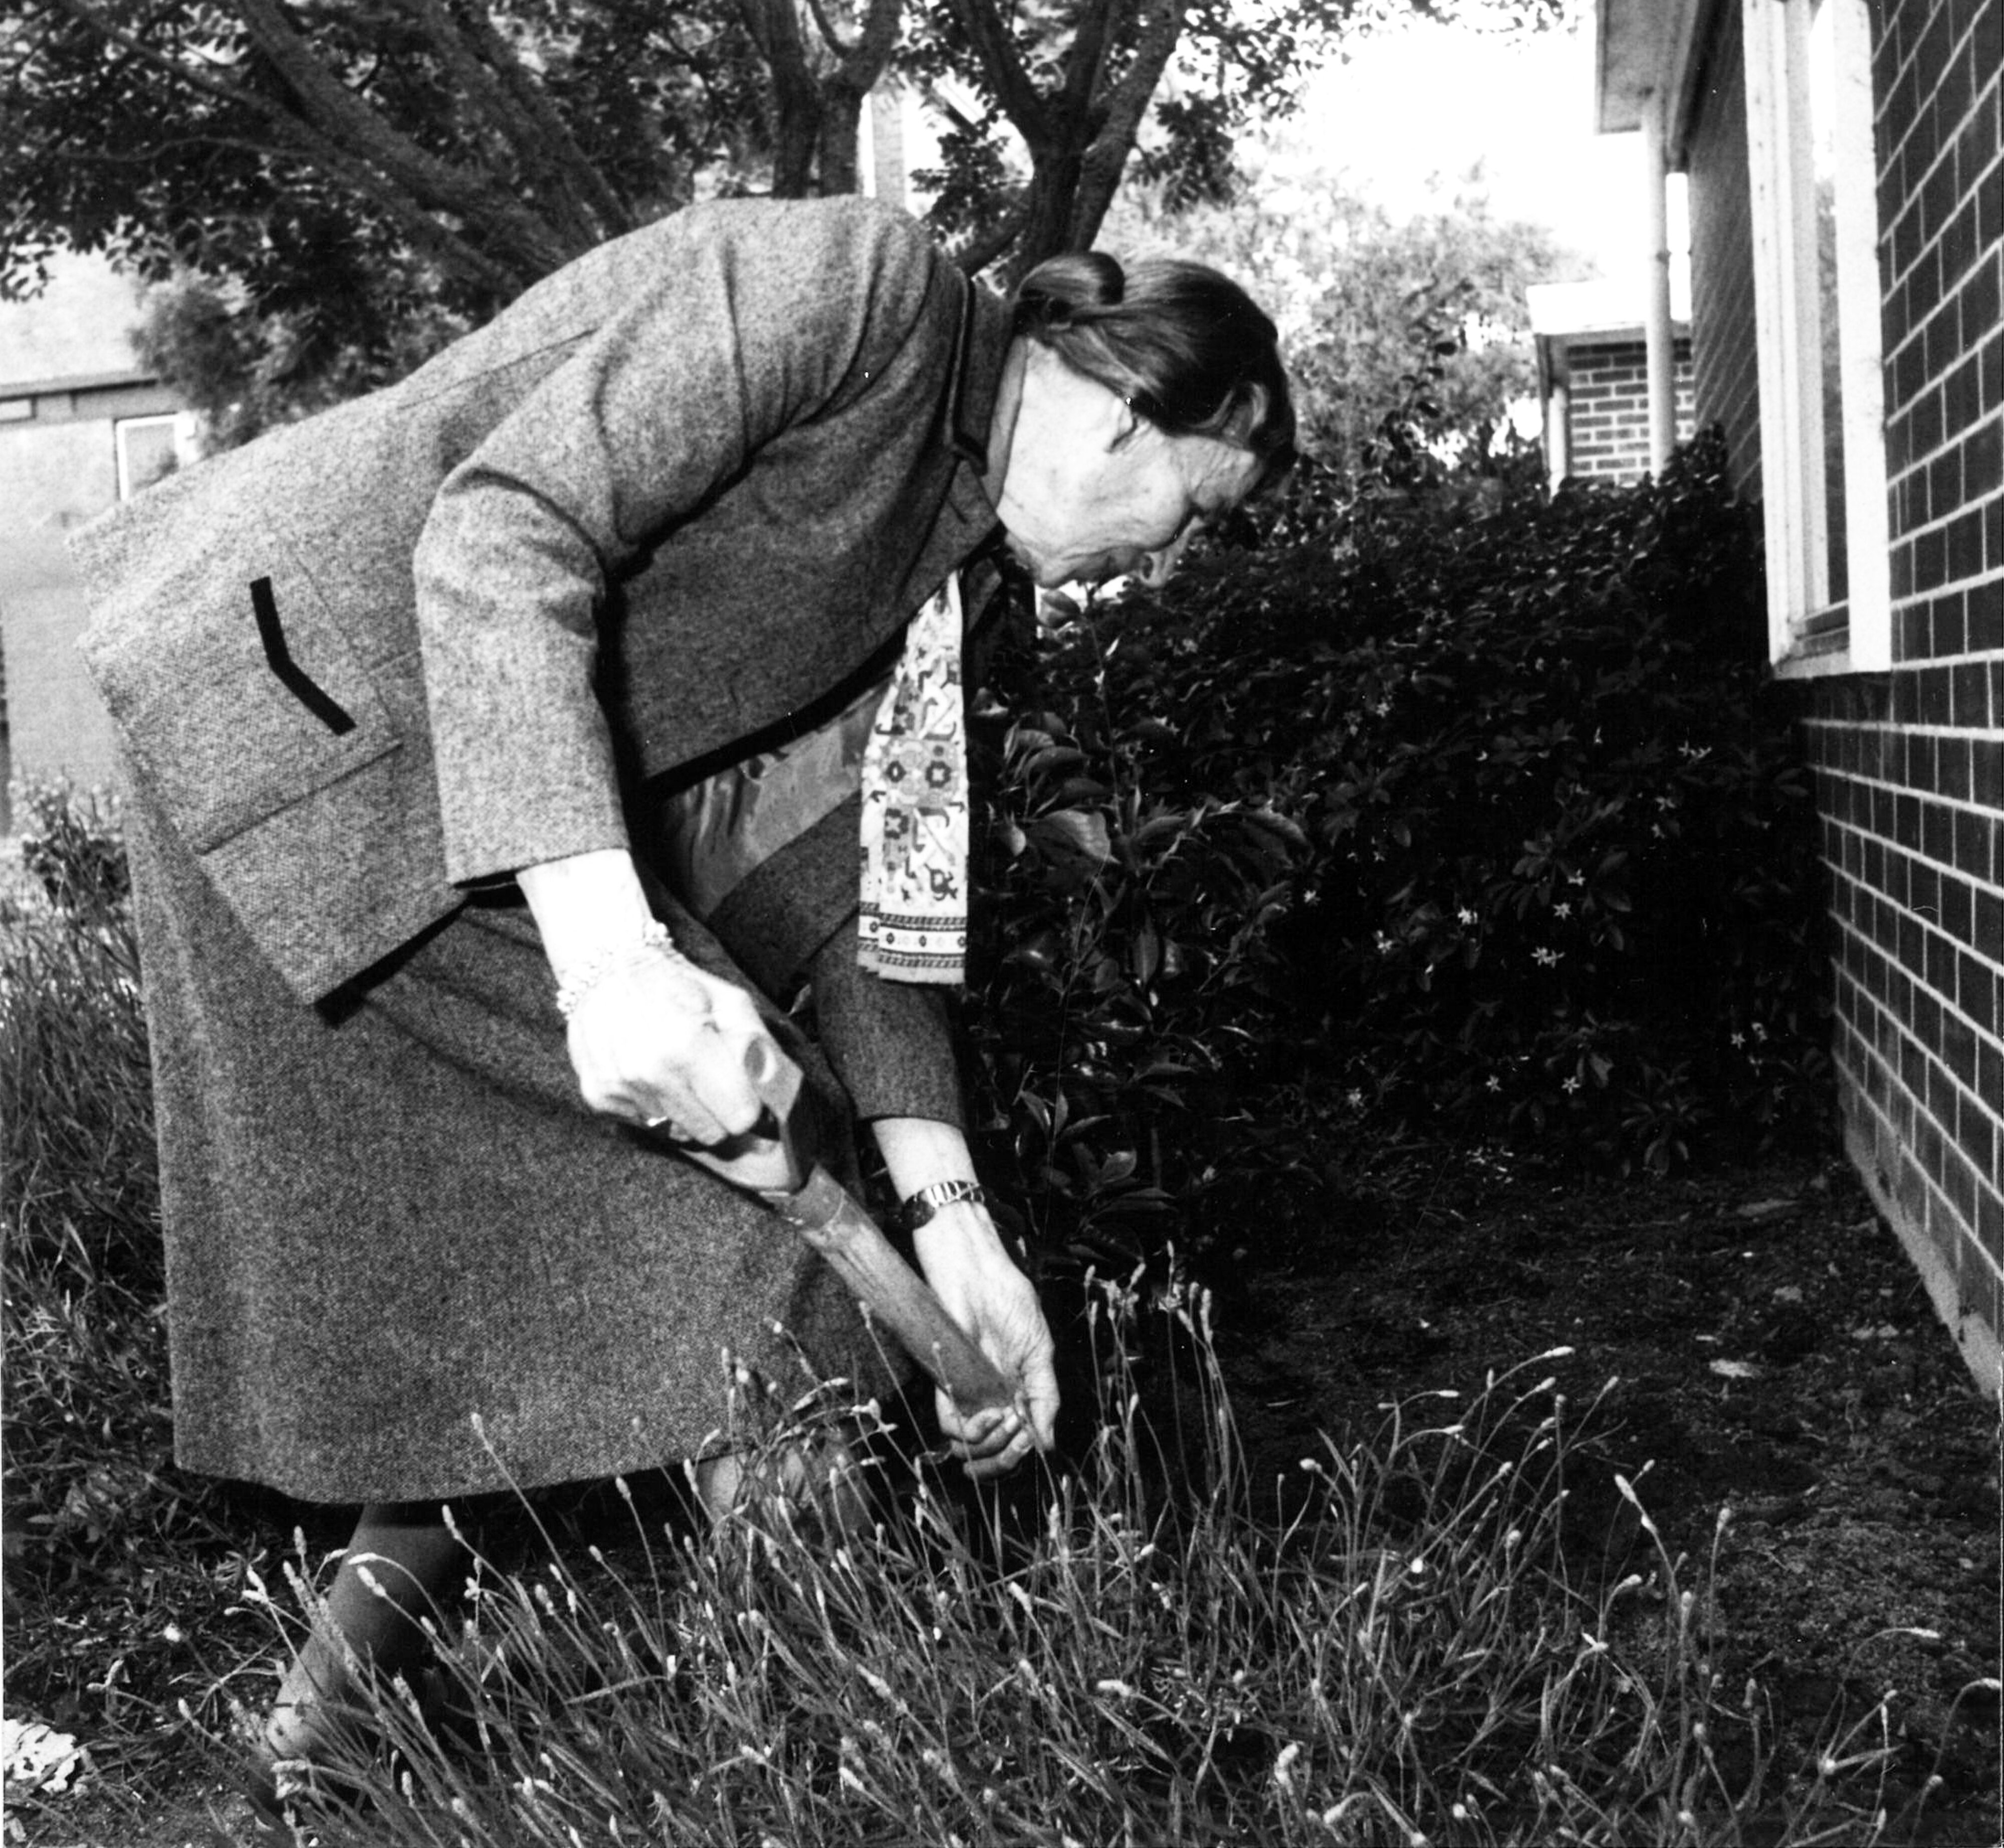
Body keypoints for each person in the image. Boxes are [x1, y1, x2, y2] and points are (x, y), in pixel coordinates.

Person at [67, 193, 1295, 1801]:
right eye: (1192, 515)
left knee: (550, 1260)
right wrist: (613, 960)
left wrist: (956, 1218)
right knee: (742, 1248)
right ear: (1128, 414)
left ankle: (317, 1735)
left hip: (446, 781)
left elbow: (871, 893)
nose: (1163, 563)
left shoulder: (962, 572)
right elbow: (504, 529)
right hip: (307, 720)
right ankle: (870, 1755)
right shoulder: (856, 296)